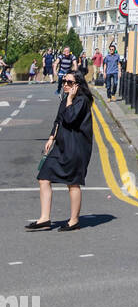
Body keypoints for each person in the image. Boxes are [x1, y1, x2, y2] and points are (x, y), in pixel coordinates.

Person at [26, 69, 94, 231]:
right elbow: (59, 120)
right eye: (64, 82)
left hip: (76, 148)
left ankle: (74, 220)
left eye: (69, 83)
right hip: (61, 146)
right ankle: (44, 218)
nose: (65, 85)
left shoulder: (82, 101)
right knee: (44, 177)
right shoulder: (65, 99)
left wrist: (70, 98)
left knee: (73, 183)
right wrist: (51, 138)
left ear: (77, 85)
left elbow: (70, 118)